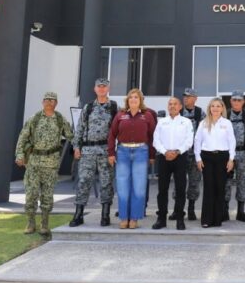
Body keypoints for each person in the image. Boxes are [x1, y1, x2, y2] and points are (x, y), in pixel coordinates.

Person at [15, 92, 73, 235]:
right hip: (33, 163)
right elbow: (22, 138)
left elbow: (71, 136)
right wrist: (20, 154)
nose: (49, 102)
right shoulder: (34, 119)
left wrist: (78, 148)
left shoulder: (60, 120)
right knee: (31, 194)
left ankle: (45, 223)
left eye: (52, 100)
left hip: (51, 163)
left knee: (47, 196)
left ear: (56, 103)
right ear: (42, 102)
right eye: (46, 100)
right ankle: (30, 223)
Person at [69, 78, 118, 228]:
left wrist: (114, 151)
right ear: (95, 89)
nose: (102, 89)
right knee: (83, 181)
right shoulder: (88, 107)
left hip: (105, 150)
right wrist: (76, 147)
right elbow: (80, 128)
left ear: (108, 89)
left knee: (106, 183)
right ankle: (78, 214)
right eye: (99, 87)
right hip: (88, 151)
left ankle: (105, 214)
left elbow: (117, 131)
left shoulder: (114, 107)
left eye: (104, 87)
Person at [108, 88, 156, 229]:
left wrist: (152, 155)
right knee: (123, 187)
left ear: (140, 100)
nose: (133, 99)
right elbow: (112, 134)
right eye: (131, 97)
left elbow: (153, 136)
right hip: (122, 152)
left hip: (141, 152)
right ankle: (124, 217)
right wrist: (111, 153)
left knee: (139, 187)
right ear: (127, 100)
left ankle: (134, 218)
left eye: (136, 97)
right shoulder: (120, 115)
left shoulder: (147, 115)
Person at [152, 97, 194, 230]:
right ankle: (161, 218)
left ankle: (180, 219)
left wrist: (177, 151)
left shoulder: (186, 122)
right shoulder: (162, 122)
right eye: (170, 104)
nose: (172, 106)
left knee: (181, 189)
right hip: (164, 158)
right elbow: (156, 140)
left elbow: (189, 140)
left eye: (175, 104)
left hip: (180, 157)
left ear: (180, 107)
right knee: (162, 190)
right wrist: (165, 152)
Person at [194, 97, 235, 228]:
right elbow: (197, 141)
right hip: (207, 157)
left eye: (218, 106)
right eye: (213, 106)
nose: (215, 108)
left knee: (220, 188)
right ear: (209, 108)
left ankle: (217, 219)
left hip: (222, 157)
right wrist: (198, 159)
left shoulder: (227, 123)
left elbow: (232, 141)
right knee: (208, 188)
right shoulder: (203, 123)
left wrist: (231, 159)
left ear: (222, 108)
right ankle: (206, 219)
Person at [171, 87, 204, 222]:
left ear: (195, 98)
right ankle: (177, 210)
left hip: (195, 155)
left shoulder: (200, 113)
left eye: (189, 96)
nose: (185, 98)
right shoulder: (178, 112)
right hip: (180, 154)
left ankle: (191, 209)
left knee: (194, 182)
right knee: (178, 182)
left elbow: (204, 133)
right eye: (184, 96)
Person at [224, 90, 245, 222]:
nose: (236, 102)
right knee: (226, 182)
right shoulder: (225, 114)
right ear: (230, 101)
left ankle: (241, 211)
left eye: (239, 100)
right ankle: (225, 210)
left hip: (243, 153)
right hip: (227, 154)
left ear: (243, 101)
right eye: (234, 100)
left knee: (242, 182)